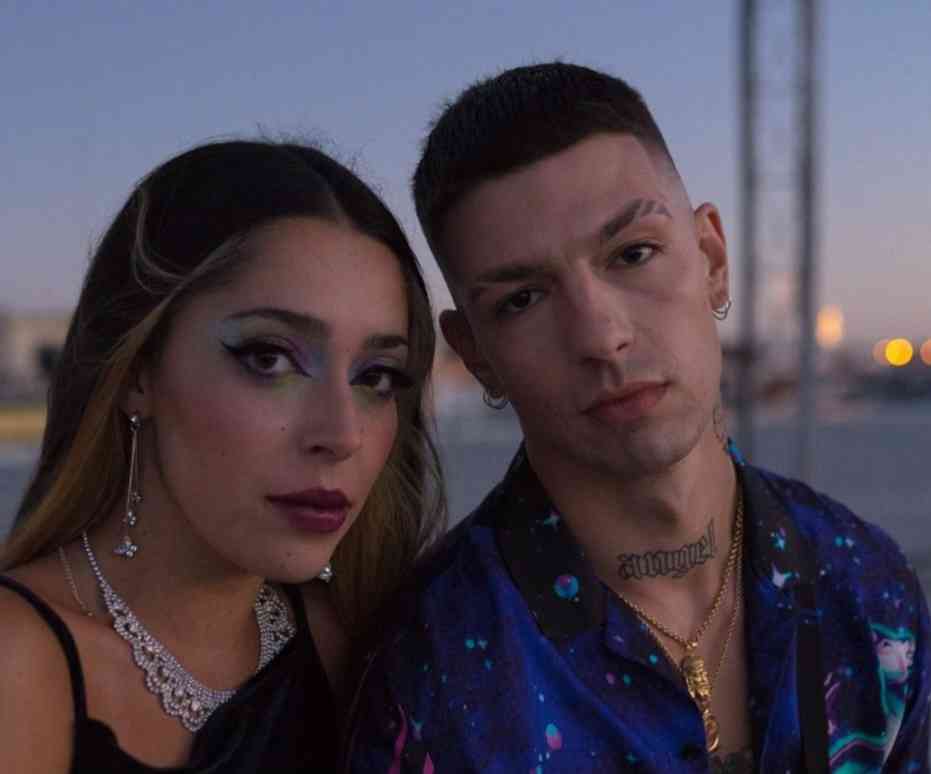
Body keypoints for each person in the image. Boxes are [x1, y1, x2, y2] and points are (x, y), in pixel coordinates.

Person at [346, 63, 931, 772]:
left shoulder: (865, 586)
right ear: (475, 353)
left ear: (711, 258)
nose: (601, 336)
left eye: (633, 254)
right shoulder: (429, 676)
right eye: (522, 299)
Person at [0, 139, 445, 772]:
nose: (343, 434)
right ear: (138, 372)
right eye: (270, 358)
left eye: (376, 376)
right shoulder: (17, 662)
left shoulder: (342, 642)